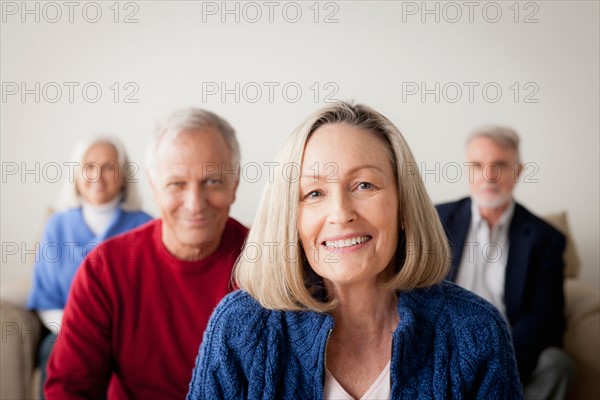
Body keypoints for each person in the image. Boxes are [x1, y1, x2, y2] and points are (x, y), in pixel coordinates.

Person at [187, 102, 522, 399]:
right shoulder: (239, 326)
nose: (341, 213)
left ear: (403, 206)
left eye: (365, 185)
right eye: (314, 193)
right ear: (290, 217)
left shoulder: (476, 330)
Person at [44, 108, 248, 399]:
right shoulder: (105, 269)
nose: (194, 204)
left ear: (235, 183)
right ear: (154, 185)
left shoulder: (266, 265)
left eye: (212, 181)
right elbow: (70, 389)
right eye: (177, 184)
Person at [436, 126, 574, 400]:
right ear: (467, 170)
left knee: (557, 363)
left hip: (510, 349)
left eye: (499, 165)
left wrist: (496, 366)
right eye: (477, 165)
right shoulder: (436, 221)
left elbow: (544, 320)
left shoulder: (545, 239)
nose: (488, 176)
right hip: (445, 344)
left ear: (518, 171)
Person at [27, 136, 153, 398]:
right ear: (76, 174)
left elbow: (152, 297)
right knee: (56, 350)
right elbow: (45, 297)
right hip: (65, 330)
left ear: (122, 175)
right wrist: (77, 331)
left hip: (129, 334)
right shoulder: (57, 226)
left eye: (109, 167)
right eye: (89, 166)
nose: (98, 175)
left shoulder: (145, 225)